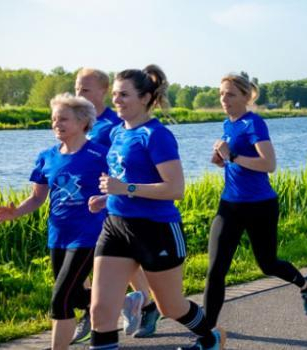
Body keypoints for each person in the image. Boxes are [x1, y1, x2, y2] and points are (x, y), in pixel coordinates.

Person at [90, 65, 222, 350]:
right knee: (100, 311)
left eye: (124, 95)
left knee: (171, 307)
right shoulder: (116, 133)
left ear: (146, 98)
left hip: (157, 230)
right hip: (116, 226)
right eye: (114, 94)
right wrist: (108, 197)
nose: (116, 100)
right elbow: (124, 178)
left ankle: (211, 337)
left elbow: (175, 189)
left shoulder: (156, 135)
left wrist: (126, 189)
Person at [201, 73, 307, 341]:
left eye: (230, 94)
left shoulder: (254, 123)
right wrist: (222, 160)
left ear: (246, 96)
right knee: (216, 269)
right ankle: (207, 334)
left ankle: (305, 284)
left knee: (267, 264)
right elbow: (236, 159)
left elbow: (269, 164)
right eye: (221, 94)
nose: (224, 99)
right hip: (229, 205)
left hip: (260, 206)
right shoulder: (227, 123)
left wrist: (232, 155)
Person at [0, 93, 107, 350]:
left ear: (82, 121)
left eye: (63, 119)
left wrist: (106, 199)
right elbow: (36, 198)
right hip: (58, 235)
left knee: (60, 299)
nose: (56, 124)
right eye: (54, 119)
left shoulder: (100, 155)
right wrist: (15, 212)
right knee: (72, 295)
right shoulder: (47, 157)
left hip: (89, 233)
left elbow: (117, 189)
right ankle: (117, 300)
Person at [74, 68, 160, 341]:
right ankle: (101, 309)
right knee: (83, 258)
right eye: (77, 88)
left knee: (121, 260)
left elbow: (126, 165)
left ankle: (144, 305)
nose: (79, 94)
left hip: (113, 201)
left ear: (102, 91)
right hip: (83, 200)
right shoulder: (78, 120)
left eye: (85, 90)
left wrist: (119, 192)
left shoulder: (114, 124)